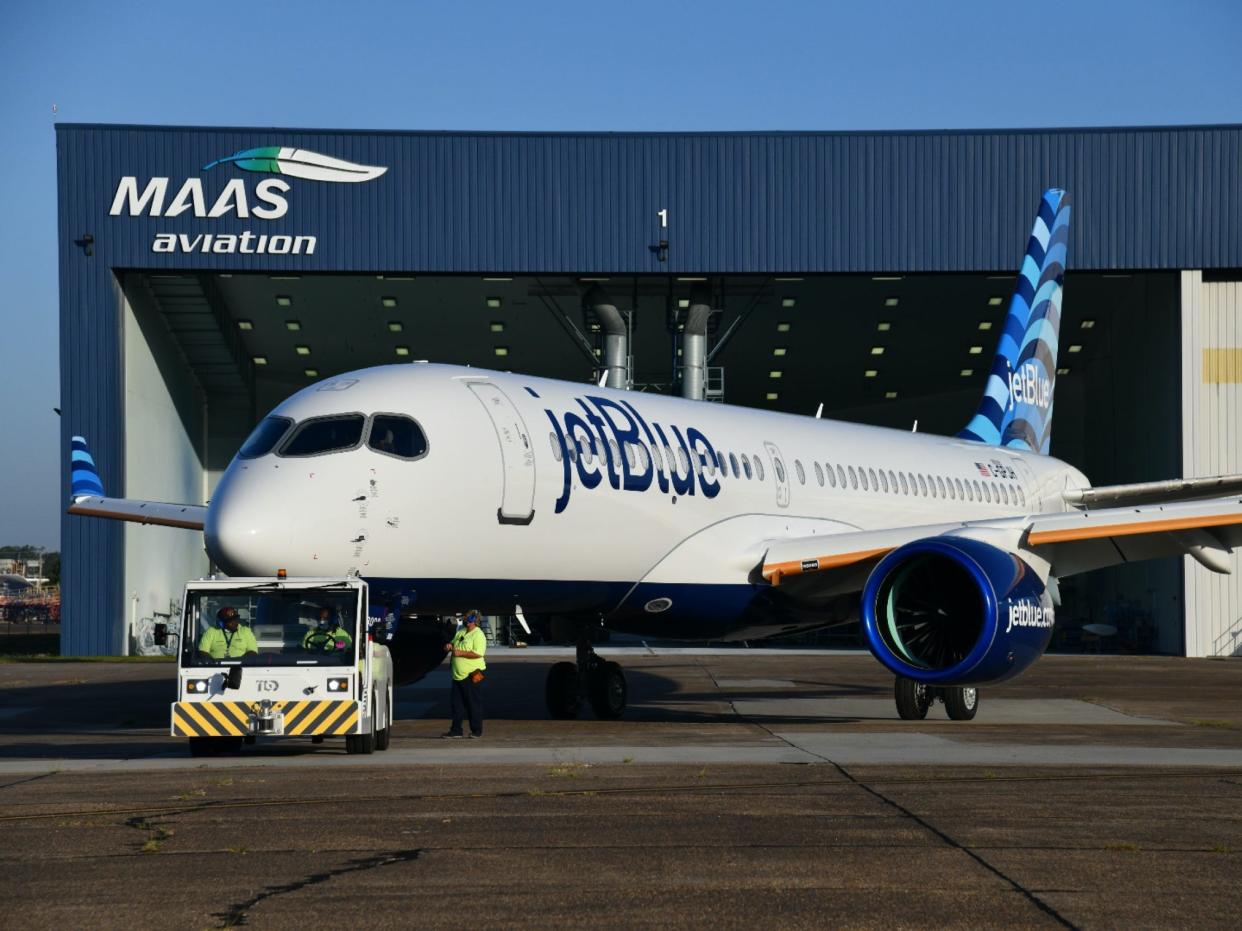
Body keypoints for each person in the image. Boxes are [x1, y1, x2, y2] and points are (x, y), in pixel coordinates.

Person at [442, 609, 487, 739]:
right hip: (458, 675)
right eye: (466, 617)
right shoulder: (461, 631)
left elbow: (478, 653)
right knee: (457, 704)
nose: (465, 619)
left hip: (475, 673)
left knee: (474, 702)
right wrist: (449, 645)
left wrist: (460, 653)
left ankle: (476, 731)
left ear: (474, 620)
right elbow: (453, 642)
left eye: (468, 618)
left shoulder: (479, 635)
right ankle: (456, 730)